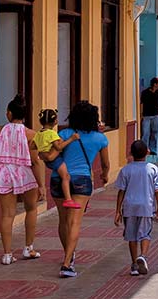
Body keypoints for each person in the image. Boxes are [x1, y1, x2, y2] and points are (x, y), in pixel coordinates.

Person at [44, 99, 110, 277]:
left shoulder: (64, 134)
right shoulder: (100, 138)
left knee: (63, 220)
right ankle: (67, 263)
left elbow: (52, 156)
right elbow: (105, 163)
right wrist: (105, 176)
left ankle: (69, 254)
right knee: (75, 222)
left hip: (59, 179)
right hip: (82, 180)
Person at [0, 96, 45, 264]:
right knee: (31, 209)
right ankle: (29, 248)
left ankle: (7, 254)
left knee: (7, 214)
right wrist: (42, 185)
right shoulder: (31, 134)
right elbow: (36, 161)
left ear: (9, 113)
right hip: (24, 174)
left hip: (3, 173)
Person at [114, 137, 158, 275]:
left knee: (132, 236)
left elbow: (121, 191)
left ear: (131, 153)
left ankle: (134, 264)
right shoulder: (153, 169)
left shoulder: (126, 170)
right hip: (146, 207)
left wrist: (117, 211)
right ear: (147, 152)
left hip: (129, 208)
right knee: (145, 234)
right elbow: (157, 191)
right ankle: (143, 256)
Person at [33, 109, 77, 206]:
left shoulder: (38, 134)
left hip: (46, 161)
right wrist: (71, 139)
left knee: (64, 176)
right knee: (66, 176)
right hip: (56, 160)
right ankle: (68, 199)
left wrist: (42, 149)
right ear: (55, 121)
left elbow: (32, 146)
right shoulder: (52, 133)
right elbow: (59, 147)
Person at [140, 77, 158, 157]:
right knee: (145, 133)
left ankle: (153, 149)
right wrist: (141, 114)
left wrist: (157, 108)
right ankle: (144, 149)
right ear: (155, 84)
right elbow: (142, 103)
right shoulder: (145, 93)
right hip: (146, 115)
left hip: (156, 115)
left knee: (155, 132)